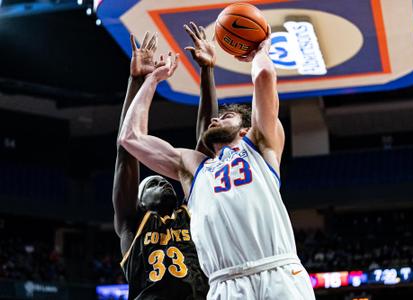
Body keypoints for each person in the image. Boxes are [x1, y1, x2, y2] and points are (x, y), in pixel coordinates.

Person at [118, 24, 316, 299]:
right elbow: (131, 137)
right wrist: (152, 79)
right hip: (225, 284)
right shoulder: (194, 167)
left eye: (226, 117)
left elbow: (264, 75)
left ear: (245, 129)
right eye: (216, 116)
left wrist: (260, 50)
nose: (215, 118)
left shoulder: (261, 145)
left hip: (278, 270)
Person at [113, 23, 217, 299]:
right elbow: (126, 152)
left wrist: (207, 71)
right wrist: (136, 81)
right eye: (151, 182)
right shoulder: (131, 224)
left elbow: (206, 145)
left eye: (162, 178)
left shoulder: (191, 212)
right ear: (138, 202)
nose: (161, 179)